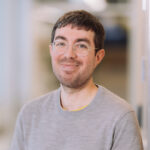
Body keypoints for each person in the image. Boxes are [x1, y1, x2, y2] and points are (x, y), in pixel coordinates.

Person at [10, 10, 143, 150]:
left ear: (98, 57)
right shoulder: (30, 114)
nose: (69, 55)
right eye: (61, 44)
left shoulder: (120, 117)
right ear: (51, 51)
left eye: (81, 46)